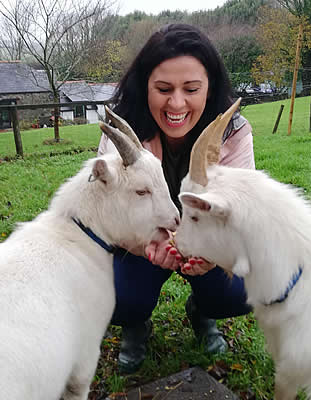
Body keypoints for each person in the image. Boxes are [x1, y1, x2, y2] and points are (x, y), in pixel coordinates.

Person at [98, 23, 255, 374]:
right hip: (143, 245)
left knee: (240, 290)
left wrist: (212, 254)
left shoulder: (234, 132)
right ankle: (134, 323)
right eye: (164, 89)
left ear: (209, 87)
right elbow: (108, 213)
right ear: (145, 87)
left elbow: (239, 216)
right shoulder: (123, 132)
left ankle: (204, 310)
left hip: (205, 244)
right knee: (115, 297)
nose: (177, 103)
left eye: (192, 89)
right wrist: (146, 245)